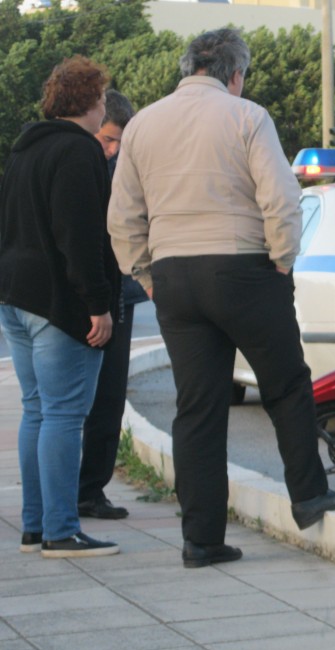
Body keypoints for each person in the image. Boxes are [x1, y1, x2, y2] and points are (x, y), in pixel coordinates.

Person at [107, 28, 335, 569]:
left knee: (197, 407)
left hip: (173, 274)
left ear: (186, 67)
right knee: (286, 383)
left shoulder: (143, 123)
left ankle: (201, 539)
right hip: (243, 267)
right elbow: (281, 196)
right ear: (235, 73)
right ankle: (309, 496)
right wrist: (283, 260)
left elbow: (122, 215)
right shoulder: (247, 117)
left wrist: (147, 274)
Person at [0, 56, 120, 558]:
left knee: (37, 411)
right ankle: (61, 530)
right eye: (102, 99)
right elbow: (82, 236)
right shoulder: (79, 153)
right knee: (67, 415)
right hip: (58, 303)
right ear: (92, 102)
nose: (103, 108)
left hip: (16, 297)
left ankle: (35, 527)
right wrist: (99, 305)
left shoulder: (24, 150)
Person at [78, 89, 149, 520]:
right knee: (74, 402)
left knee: (109, 398)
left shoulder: (130, 167)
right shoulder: (78, 165)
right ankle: (71, 488)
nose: (113, 151)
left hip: (121, 294)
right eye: (107, 140)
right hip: (89, 299)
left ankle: (91, 490)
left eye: (120, 142)